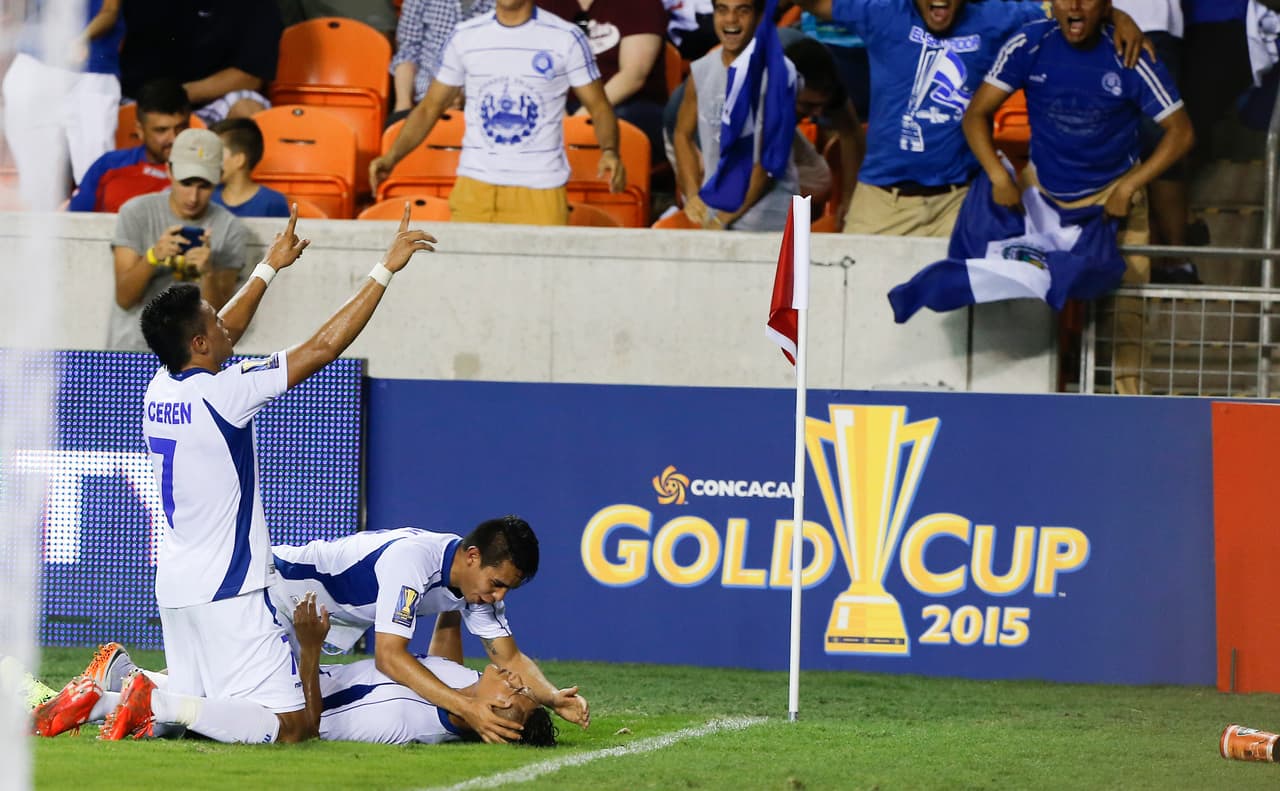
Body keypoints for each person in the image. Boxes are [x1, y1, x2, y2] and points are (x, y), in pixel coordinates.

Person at [99, 203, 436, 743]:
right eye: (212, 319)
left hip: (175, 588)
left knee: (205, 717)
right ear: (200, 345)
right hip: (230, 591)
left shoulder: (160, 386)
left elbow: (221, 328)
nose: (224, 321)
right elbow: (323, 347)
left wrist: (268, 268)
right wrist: (384, 270)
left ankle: (103, 699)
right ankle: (151, 696)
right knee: (295, 727)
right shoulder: (227, 393)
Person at [963, 0, 1194, 394]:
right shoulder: (1029, 43)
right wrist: (998, 175)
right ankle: (1025, 402)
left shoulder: (1129, 53)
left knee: (1126, 315)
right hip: (1044, 198)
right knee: (1031, 309)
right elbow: (975, 114)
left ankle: (1130, 412)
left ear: (1105, 5)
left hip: (1114, 200)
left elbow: (1182, 133)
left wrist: (1128, 187)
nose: (1074, 5)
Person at [793, 0, 1148, 238]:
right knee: (859, 322)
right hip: (881, 203)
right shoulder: (881, 12)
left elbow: (1070, 8)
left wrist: (1116, 16)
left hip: (957, 204)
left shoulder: (997, 18)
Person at [267, 517, 589, 744]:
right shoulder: (414, 562)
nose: (499, 597)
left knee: (289, 709)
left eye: (507, 589)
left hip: (312, 617)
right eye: (497, 584)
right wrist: (466, 707)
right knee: (286, 720)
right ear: (473, 557)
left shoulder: (472, 588)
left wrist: (550, 698)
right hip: (274, 593)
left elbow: (511, 658)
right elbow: (389, 657)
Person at [370, 0, 626, 225]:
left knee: (535, 280)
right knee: (469, 277)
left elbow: (599, 106)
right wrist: (391, 158)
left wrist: (610, 151)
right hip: (474, 187)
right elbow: (429, 108)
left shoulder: (566, 37)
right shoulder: (464, 36)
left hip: (541, 189)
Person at [34, 594, 331, 743]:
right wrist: (312, 649)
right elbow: (309, 725)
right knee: (291, 729)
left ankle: (99, 700)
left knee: (187, 710)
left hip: (179, 575)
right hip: (232, 579)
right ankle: (144, 692)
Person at [108, 128, 249, 352]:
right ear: (169, 170)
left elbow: (221, 319)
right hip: (133, 351)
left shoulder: (230, 227)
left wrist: (207, 273)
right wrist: (152, 257)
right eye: (186, 183)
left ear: (219, 177)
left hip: (194, 358)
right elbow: (124, 298)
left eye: (204, 186)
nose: (193, 197)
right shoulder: (135, 212)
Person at [672, 0, 799, 231]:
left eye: (743, 10)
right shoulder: (701, 70)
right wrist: (692, 195)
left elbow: (767, 164)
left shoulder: (779, 73)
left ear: (759, 18)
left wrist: (723, 218)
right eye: (722, 10)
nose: (731, 20)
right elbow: (682, 134)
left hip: (769, 223)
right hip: (716, 219)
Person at [1, 0, 124, 209]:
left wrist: (81, 39)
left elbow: (109, 12)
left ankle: (94, 237)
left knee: (94, 175)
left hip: (91, 71)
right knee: (38, 183)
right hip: (37, 64)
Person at [539, 0, 669, 161]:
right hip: (563, 105)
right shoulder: (542, 5)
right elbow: (537, 68)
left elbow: (633, 75)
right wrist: (557, 111)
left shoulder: (642, 4)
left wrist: (582, 118)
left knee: (614, 123)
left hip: (626, 104)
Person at [119, 0, 283, 124]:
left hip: (210, 102)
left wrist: (178, 94)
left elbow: (250, 76)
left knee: (248, 111)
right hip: (140, 99)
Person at [69, 80, 193, 214]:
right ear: (140, 130)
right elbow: (75, 220)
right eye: (161, 130)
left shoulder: (204, 168)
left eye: (181, 128)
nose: (174, 139)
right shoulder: (109, 166)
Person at [388, 0, 496, 124]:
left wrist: (463, 95)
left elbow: (500, 61)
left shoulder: (504, 5)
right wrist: (403, 106)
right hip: (423, 101)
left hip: (479, 106)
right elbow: (407, 53)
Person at [209, 118, 292, 218]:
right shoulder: (208, 197)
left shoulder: (274, 203)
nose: (210, 159)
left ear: (239, 160)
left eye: (217, 153)